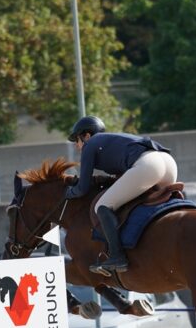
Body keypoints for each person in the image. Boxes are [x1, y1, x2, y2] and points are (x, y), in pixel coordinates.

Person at [66, 115, 178, 275]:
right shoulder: (112, 140)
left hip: (149, 165)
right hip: (168, 163)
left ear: (87, 136)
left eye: (77, 140)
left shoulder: (90, 144)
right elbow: (122, 178)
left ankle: (117, 256)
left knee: (102, 206)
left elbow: (82, 188)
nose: (77, 146)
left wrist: (69, 192)